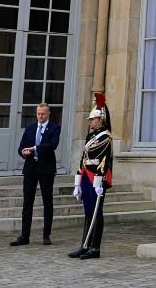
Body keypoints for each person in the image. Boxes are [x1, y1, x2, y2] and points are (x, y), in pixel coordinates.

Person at [68, 93, 113, 260]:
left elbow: (104, 159)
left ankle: (95, 247)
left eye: (92, 119)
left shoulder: (105, 137)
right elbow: (84, 158)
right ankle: (85, 244)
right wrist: (78, 181)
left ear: (100, 120)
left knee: (96, 211)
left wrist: (99, 180)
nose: (90, 122)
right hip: (87, 176)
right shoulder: (90, 136)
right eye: (89, 119)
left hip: (96, 178)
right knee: (88, 211)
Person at [11, 103, 61, 247]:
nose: (40, 116)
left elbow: (52, 145)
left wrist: (34, 148)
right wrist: (23, 152)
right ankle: (24, 235)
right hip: (30, 168)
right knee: (27, 202)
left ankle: (46, 235)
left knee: (47, 201)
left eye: (43, 114)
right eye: (38, 114)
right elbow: (21, 146)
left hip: (46, 169)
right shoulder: (30, 128)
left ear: (48, 114)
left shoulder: (54, 128)